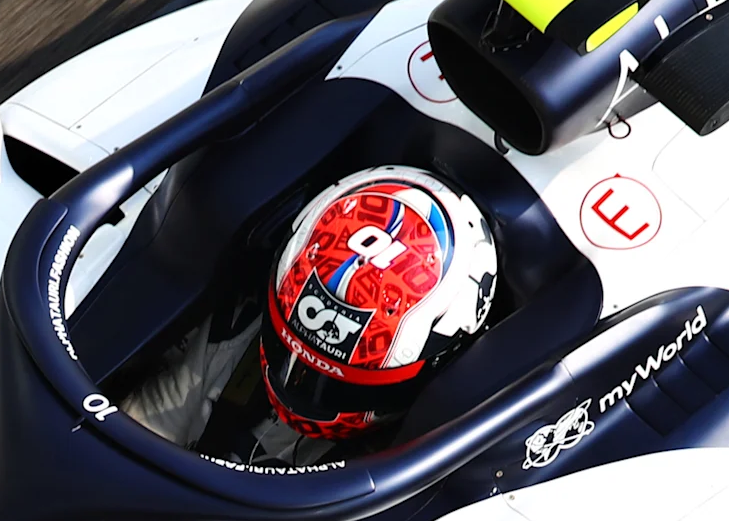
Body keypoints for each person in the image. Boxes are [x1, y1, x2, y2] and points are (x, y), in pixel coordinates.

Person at [123, 165, 500, 464]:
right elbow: (131, 438)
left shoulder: (419, 453)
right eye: (287, 351)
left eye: (341, 386)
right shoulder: (233, 334)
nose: (295, 389)